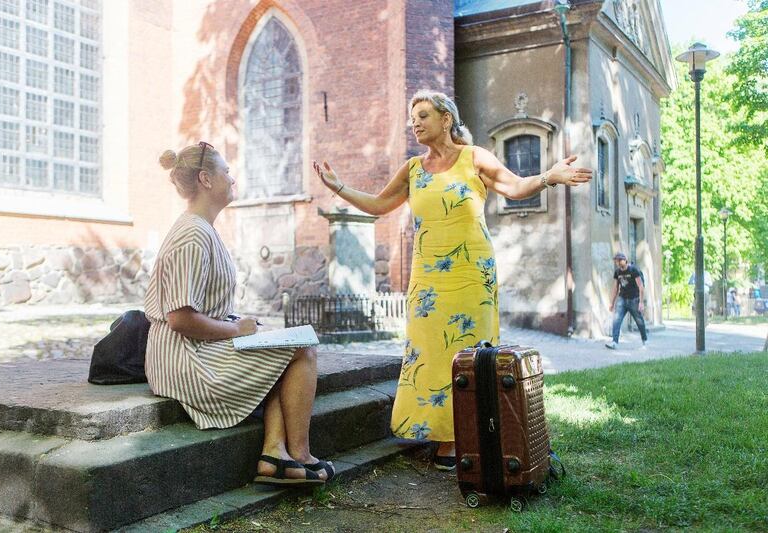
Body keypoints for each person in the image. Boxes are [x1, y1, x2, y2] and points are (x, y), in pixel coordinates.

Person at [313, 90, 591, 470]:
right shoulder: (412, 169)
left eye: (423, 115)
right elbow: (379, 205)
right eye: (413, 118)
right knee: (430, 354)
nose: (416, 123)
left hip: (472, 274)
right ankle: (444, 436)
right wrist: (338, 187)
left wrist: (548, 177)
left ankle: (473, 435)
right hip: (428, 280)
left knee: (471, 353)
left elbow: (513, 186)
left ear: (447, 118)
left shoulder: (474, 158)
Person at [145, 142, 333, 487]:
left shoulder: (202, 229)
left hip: (192, 350)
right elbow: (180, 318)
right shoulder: (192, 235)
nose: (232, 178)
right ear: (205, 179)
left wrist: (242, 325)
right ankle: (299, 454)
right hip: (185, 362)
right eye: (226, 171)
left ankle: (275, 454)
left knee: (280, 344)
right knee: (301, 349)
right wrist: (236, 331)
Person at [605, 252, 648, 349]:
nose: (618, 262)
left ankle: (644, 342)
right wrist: (612, 303)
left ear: (625, 260)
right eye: (616, 261)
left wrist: (641, 302)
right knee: (616, 319)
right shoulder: (617, 272)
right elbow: (615, 288)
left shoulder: (633, 270)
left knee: (639, 321)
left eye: (620, 260)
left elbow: (641, 286)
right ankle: (614, 342)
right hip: (622, 299)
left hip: (634, 299)